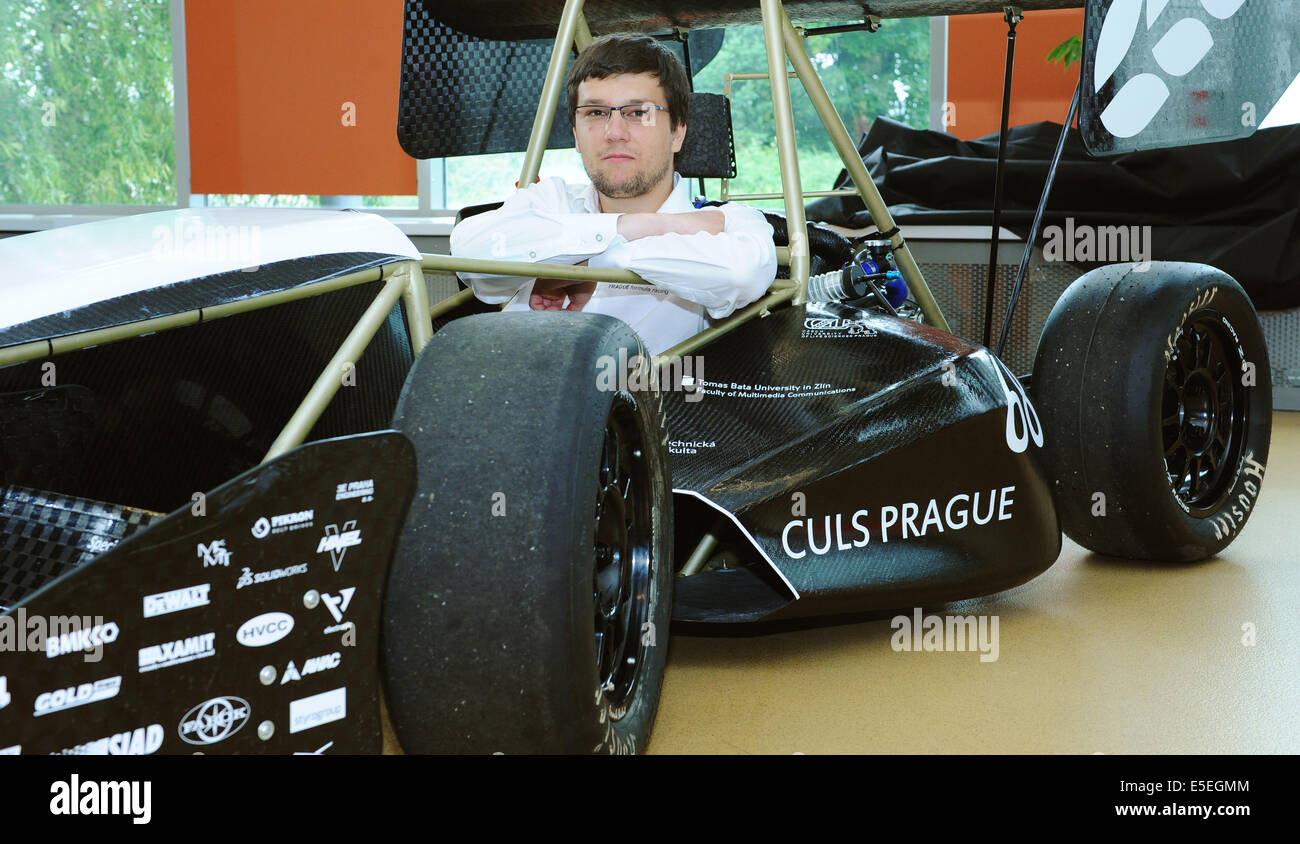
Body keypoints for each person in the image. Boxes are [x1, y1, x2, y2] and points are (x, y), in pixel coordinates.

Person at [450, 33, 777, 356]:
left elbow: (741, 275)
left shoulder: (730, 222)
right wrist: (635, 228)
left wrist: (583, 259)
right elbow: (468, 252)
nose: (614, 133)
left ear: (678, 132)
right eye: (595, 113)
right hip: (504, 390)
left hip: (636, 403)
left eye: (638, 113)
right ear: (577, 136)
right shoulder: (552, 201)